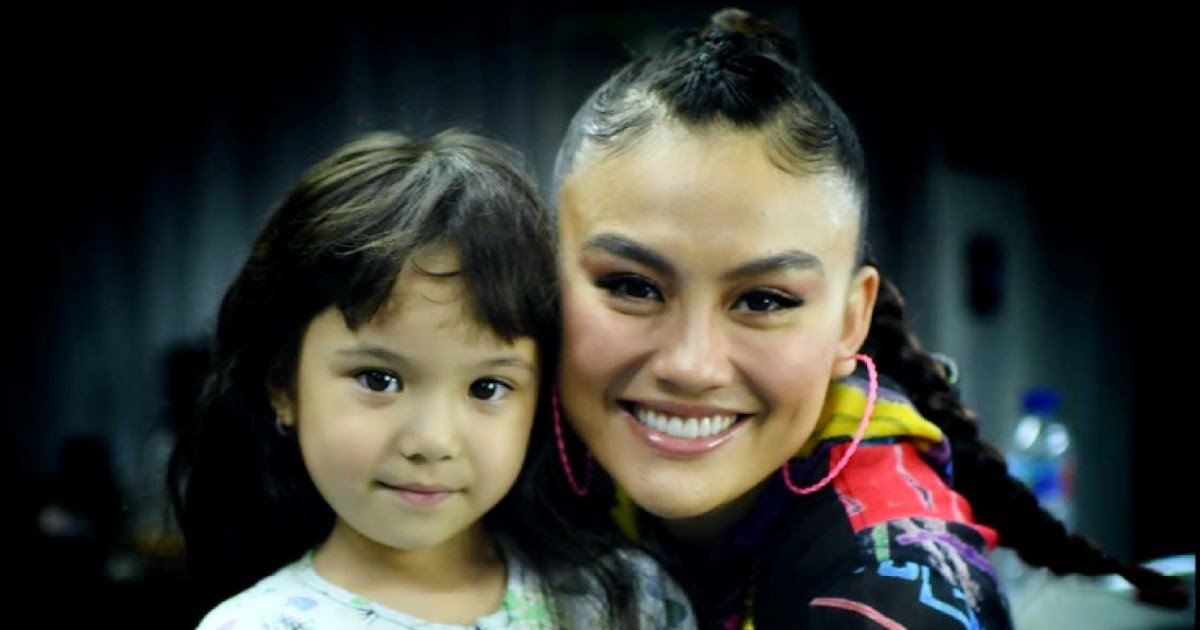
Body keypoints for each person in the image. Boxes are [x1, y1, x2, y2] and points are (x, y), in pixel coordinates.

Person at [549, 7, 1187, 629]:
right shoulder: (511, 431)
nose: (691, 365)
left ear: (850, 321)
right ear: (543, 278)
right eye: (631, 287)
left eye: (764, 300)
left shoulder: (894, 593)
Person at [167, 129, 696, 629]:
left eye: (487, 388)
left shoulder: (627, 602)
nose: (432, 441)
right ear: (283, 386)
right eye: (378, 380)